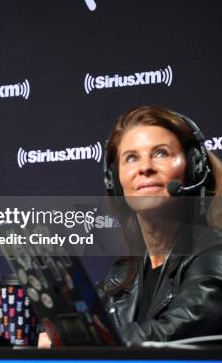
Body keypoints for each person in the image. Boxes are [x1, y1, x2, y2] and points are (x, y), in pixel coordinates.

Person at [99, 105, 222, 345]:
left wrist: (88, 340)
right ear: (115, 180)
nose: (145, 168)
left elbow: (173, 333)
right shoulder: (123, 274)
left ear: (193, 168)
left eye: (161, 153)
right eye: (131, 158)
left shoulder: (215, 255)